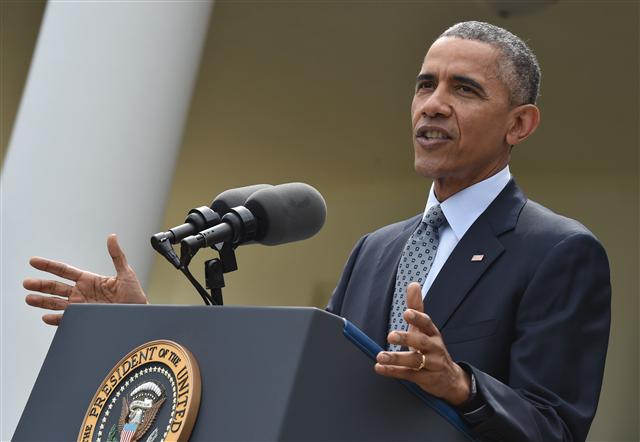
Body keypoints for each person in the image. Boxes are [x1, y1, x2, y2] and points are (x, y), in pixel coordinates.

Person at [24, 21, 610, 442]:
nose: (432, 105)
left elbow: (554, 427)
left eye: (464, 89)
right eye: (424, 84)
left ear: (519, 124)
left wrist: (459, 384)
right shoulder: (376, 249)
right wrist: (142, 325)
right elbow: (306, 381)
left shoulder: (557, 251)